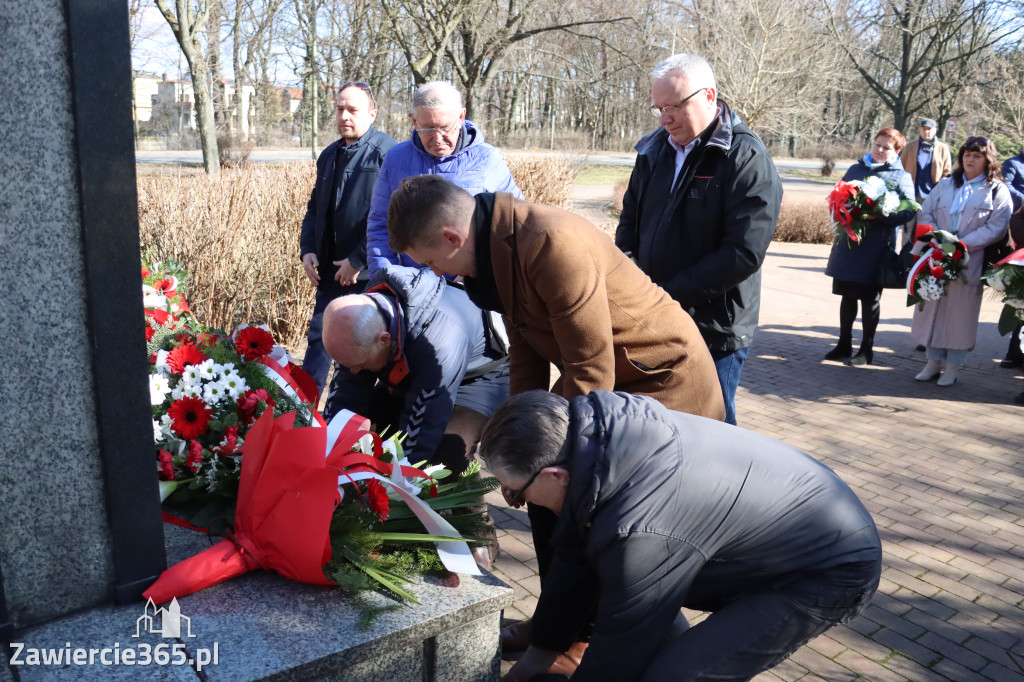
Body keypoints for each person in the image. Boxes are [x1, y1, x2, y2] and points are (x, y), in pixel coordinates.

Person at [388, 175, 726, 674]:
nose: (437, 274)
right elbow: (526, 345)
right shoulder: (497, 249)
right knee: (544, 496)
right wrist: (513, 448)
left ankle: (580, 638)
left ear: (452, 238)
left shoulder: (549, 243)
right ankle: (556, 623)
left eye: (433, 262)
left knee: (582, 502)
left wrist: (538, 458)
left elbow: (593, 372)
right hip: (613, 383)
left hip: (660, 385)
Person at [479, 389, 882, 682]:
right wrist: (539, 655)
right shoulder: (597, 445)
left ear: (555, 475)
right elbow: (574, 561)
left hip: (828, 569)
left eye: (515, 491)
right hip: (763, 540)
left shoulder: (638, 525)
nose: (513, 500)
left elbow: (622, 642)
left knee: (675, 675)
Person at [615, 54, 782, 426]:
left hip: (713, 327)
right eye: (658, 108)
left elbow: (743, 252)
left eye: (674, 106)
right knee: (658, 423)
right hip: (653, 314)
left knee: (711, 428)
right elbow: (630, 224)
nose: (665, 117)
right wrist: (630, 283)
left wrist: (668, 296)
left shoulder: (745, 157)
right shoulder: (653, 150)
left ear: (709, 96)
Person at [321, 265, 509, 474]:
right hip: (411, 363)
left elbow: (423, 427)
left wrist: (397, 485)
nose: (354, 371)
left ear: (384, 340)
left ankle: (466, 504)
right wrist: (327, 456)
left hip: (479, 377)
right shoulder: (355, 323)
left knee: (446, 455)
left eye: (360, 364)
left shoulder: (441, 340)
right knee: (374, 429)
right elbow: (345, 399)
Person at [299, 82, 396, 397]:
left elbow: (396, 219)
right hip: (329, 272)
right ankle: (304, 417)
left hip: (371, 275)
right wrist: (308, 250)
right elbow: (315, 208)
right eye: (340, 108)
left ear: (372, 113)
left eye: (352, 110)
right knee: (320, 340)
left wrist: (357, 260)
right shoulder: (329, 154)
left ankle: (354, 422)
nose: (344, 116)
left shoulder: (387, 155)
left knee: (363, 349)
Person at [365, 81, 522, 275]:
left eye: (445, 127)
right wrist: (387, 279)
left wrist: (482, 276)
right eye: (428, 128)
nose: (438, 138)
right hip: (412, 287)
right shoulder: (396, 159)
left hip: (470, 288)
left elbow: (514, 223)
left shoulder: (488, 160)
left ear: (461, 117)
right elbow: (380, 226)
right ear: (414, 121)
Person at [912, 136, 1013, 386]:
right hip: (937, 256)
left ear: (987, 160)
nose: (970, 159)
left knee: (959, 314)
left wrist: (961, 245)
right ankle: (933, 362)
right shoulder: (946, 185)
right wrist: (939, 240)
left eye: (977, 155)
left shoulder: (997, 190)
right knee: (933, 305)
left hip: (970, 260)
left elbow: (997, 227)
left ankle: (953, 367)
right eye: (967, 154)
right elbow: (925, 212)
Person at [824, 128, 917, 367]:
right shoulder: (857, 169)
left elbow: (908, 210)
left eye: (886, 147)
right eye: (877, 144)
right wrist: (842, 207)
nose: (879, 150)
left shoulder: (900, 176)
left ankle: (867, 349)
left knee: (869, 299)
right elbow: (838, 195)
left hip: (876, 247)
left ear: (896, 152)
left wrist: (882, 215)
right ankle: (844, 343)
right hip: (849, 242)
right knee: (846, 295)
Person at [998, 147, 1024, 370]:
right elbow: (1005, 186)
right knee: (1018, 299)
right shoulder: (1013, 164)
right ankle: (1013, 352)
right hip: (1019, 228)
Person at [899, 119, 952, 208]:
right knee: (908, 221)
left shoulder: (943, 148)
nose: (926, 131)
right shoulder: (910, 146)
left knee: (925, 221)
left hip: (931, 194)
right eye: (924, 129)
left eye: (929, 129)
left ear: (935, 130)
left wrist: (940, 190)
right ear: (920, 130)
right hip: (910, 193)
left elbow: (946, 172)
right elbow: (901, 167)